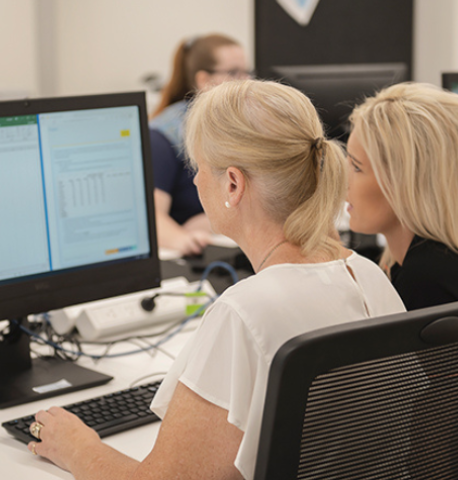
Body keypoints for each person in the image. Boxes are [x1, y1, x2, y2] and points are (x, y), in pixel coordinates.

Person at [26, 80, 405, 480]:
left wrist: (78, 447)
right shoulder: (367, 275)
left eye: (199, 168)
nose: (194, 181)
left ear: (234, 184)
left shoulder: (245, 312)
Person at [347, 82, 458, 310]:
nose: (342, 180)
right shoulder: (419, 263)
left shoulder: (426, 280)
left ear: (407, 182)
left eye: (357, 167)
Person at [150, 33, 251, 255]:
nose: (245, 81)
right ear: (204, 80)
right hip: (195, 257)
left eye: (247, 72)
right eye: (234, 73)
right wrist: (185, 239)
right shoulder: (164, 135)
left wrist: (212, 222)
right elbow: (152, 218)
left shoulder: (241, 128)